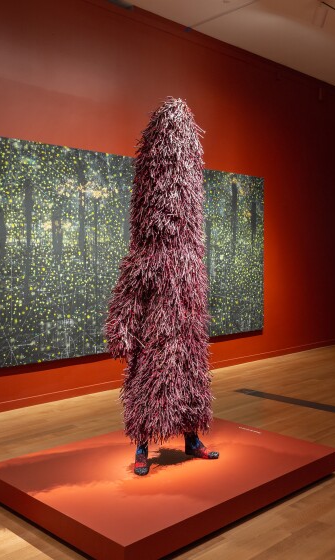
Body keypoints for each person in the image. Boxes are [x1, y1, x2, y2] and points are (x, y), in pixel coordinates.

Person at [105, 98, 218, 476]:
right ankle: (142, 448)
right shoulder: (147, 252)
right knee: (148, 386)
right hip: (154, 339)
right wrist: (121, 332)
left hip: (186, 336)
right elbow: (129, 294)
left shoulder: (191, 252)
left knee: (190, 384)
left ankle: (191, 440)